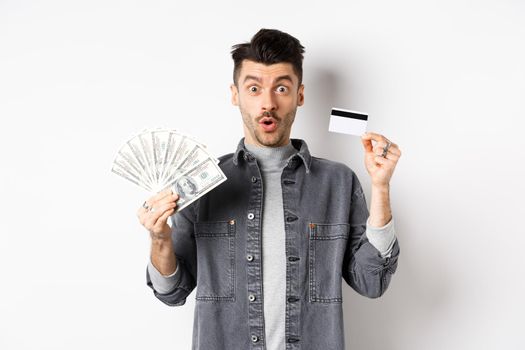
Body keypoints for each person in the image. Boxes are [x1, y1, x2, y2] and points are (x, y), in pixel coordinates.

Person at [137, 28, 401, 350]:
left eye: (281, 88)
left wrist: (381, 186)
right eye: (253, 88)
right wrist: (159, 238)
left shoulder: (338, 182)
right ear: (235, 95)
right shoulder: (203, 184)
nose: (268, 103)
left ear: (299, 96)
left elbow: (371, 282)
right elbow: (171, 292)